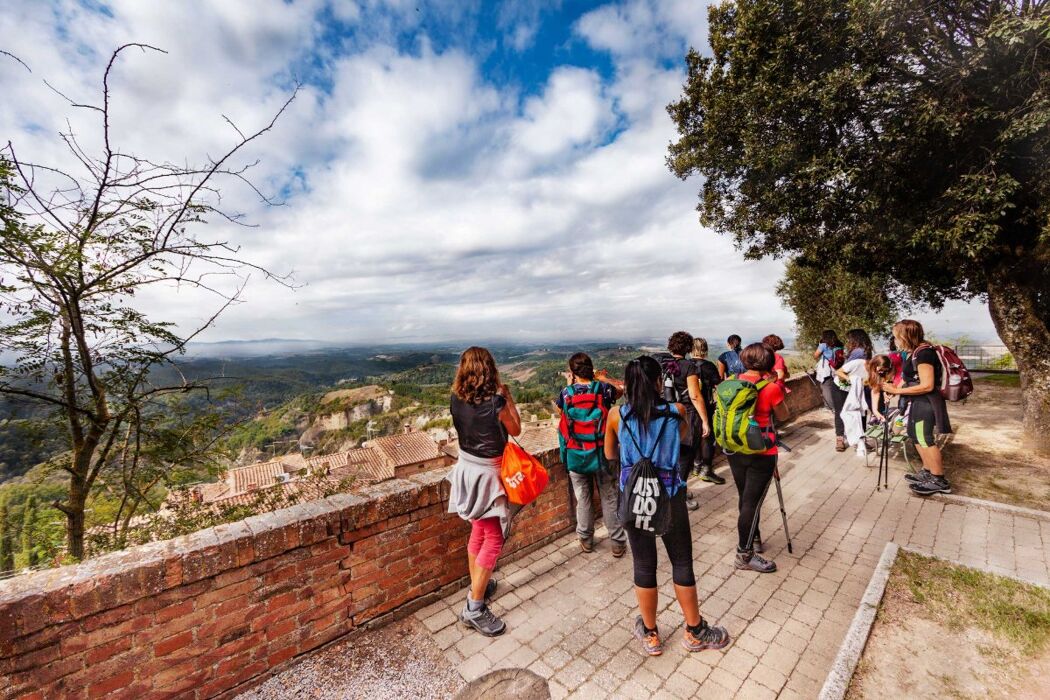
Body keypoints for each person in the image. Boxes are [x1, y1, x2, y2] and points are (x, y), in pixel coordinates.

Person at [603, 356, 730, 656]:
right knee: (682, 562)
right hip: (670, 495)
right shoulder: (677, 412)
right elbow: (684, 439)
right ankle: (695, 630)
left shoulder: (616, 415)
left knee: (644, 565)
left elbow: (610, 454)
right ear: (659, 382)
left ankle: (650, 634)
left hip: (634, 497)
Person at [447, 347, 522, 637]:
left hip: (466, 468)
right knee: (493, 537)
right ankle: (474, 608)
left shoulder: (456, 398)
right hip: (489, 473)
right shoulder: (497, 402)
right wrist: (509, 397)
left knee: (478, 531)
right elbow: (516, 430)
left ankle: (478, 583)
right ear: (490, 369)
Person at [727, 343, 790, 573]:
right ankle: (744, 555)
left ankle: (753, 539)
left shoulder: (729, 383)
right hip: (762, 451)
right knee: (752, 503)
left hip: (734, 449)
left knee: (745, 498)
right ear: (768, 363)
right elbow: (784, 415)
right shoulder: (771, 388)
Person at [556, 352, 627, 557]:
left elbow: (564, 418)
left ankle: (586, 539)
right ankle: (617, 542)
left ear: (572, 372)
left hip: (577, 454)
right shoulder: (603, 390)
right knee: (609, 496)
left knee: (583, 497)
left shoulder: (566, 393)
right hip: (603, 452)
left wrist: (570, 384)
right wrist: (602, 378)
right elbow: (621, 390)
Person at [880, 320, 953, 495]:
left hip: (925, 402)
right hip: (916, 401)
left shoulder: (924, 353)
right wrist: (893, 390)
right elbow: (909, 377)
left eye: (897, 336)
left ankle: (939, 480)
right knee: (914, 435)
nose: (896, 340)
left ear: (906, 335)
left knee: (924, 437)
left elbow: (927, 385)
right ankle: (927, 472)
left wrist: (896, 390)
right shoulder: (914, 353)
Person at [654, 332, 713, 511]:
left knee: (667, 456)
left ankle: (673, 491)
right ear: (688, 348)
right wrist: (705, 420)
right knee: (685, 457)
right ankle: (678, 496)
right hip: (685, 415)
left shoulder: (660, 364)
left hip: (663, 413)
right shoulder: (689, 366)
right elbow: (695, 395)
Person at [829, 329, 873, 452]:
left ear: (855, 339)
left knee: (842, 412)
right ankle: (860, 440)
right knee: (859, 412)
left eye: (850, 339)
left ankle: (841, 440)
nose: (848, 342)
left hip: (844, 386)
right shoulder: (865, 351)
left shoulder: (859, 352)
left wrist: (853, 381)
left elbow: (847, 370)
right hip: (846, 386)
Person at [690, 337, 726, 485]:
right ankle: (706, 470)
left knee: (695, 437)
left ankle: (696, 466)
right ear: (705, 349)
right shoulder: (708, 366)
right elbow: (719, 386)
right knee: (707, 437)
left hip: (689, 407)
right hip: (706, 405)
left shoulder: (687, 365)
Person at [813, 329, 844, 418]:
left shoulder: (823, 345)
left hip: (826, 369)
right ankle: (838, 404)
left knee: (826, 387)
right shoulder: (840, 344)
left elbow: (815, 356)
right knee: (835, 387)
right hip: (836, 369)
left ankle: (830, 407)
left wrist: (820, 346)